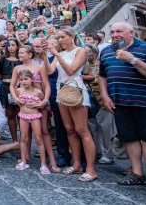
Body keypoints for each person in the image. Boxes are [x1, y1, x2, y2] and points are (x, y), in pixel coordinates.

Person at [98, 22, 146, 194]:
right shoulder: (106, 51)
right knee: (129, 138)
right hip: (120, 102)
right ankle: (137, 173)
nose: (115, 34)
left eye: (119, 31)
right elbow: (102, 76)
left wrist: (132, 59)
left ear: (131, 32)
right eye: (112, 31)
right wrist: (105, 96)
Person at [44, 27, 97, 182]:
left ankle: (91, 169)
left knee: (82, 130)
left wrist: (57, 55)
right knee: (69, 130)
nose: (60, 40)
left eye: (62, 37)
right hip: (61, 92)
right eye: (58, 38)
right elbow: (49, 71)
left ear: (72, 36)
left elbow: (71, 70)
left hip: (75, 90)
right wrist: (45, 57)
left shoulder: (80, 51)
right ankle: (77, 164)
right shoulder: (60, 54)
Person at [10, 45, 59, 173]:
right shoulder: (17, 68)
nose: (19, 54)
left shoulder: (39, 67)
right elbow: (12, 85)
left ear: (30, 54)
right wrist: (16, 97)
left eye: (21, 53)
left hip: (39, 101)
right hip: (24, 103)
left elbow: (46, 86)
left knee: (43, 131)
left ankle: (51, 161)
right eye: (19, 53)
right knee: (25, 133)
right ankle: (25, 157)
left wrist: (44, 101)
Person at [14, 70, 49, 174]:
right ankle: (23, 161)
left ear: (32, 80)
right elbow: (17, 102)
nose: (24, 81)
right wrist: (18, 102)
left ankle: (43, 164)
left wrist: (39, 104)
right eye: (21, 80)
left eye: (26, 79)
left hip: (35, 116)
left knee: (38, 139)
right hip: (23, 116)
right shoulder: (19, 91)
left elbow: (43, 103)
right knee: (23, 138)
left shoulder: (37, 92)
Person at [0, 39, 21, 142]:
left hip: (19, 87)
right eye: (9, 45)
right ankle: (14, 140)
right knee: (10, 114)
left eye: (13, 45)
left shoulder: (21, 59)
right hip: (5, 86)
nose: (11, 47)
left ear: (17, 46)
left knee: (20, 114)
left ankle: (23, 140)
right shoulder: (4, 58)